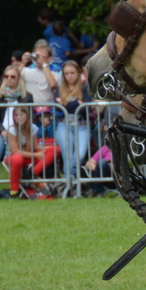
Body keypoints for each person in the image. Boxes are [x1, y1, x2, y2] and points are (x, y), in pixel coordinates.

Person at [53, 58, 92, 196]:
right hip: (64, 125)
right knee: (67, 155)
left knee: (79, 155)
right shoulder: (58, 90)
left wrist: (67, 104)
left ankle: (68, 184)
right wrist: (77, 103)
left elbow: (87, 108)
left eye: (72, 73)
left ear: (78, 73)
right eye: (66, 73)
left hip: (82, 125)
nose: (69, 76)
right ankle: (73, 188)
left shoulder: (85, 87)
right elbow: (58, 109)